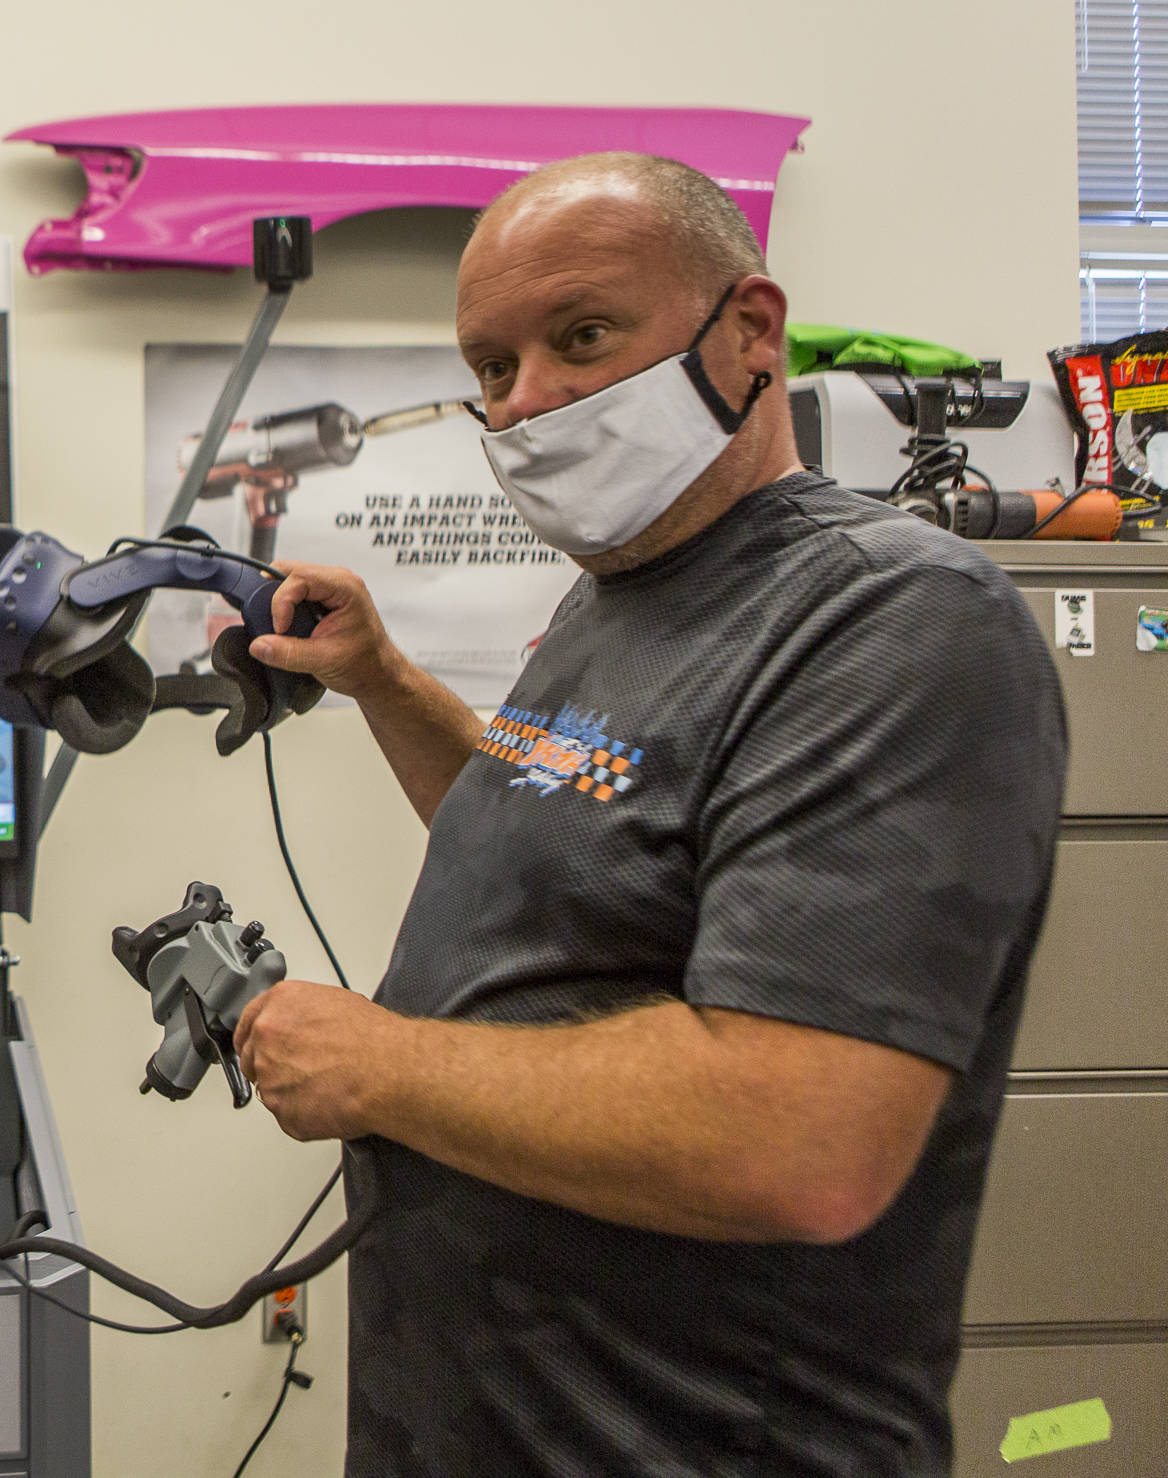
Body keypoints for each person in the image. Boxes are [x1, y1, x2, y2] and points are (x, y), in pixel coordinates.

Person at [231, 152, 1067, 1477]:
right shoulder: (618, 595)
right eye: (494, 369)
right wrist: (386, 683)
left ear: (751, 332)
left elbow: (799, 1135)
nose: (530, 400)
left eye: (581, 337)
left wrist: (379, 1065)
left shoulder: (892, 619)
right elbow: (562, 839)